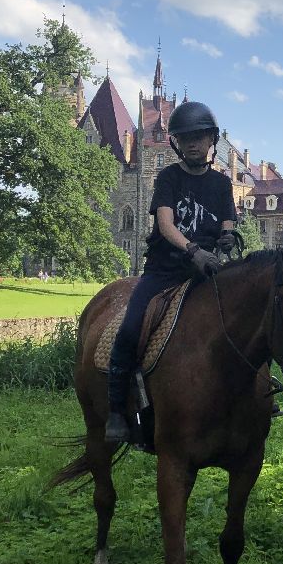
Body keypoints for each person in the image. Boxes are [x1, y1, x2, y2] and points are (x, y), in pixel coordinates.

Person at [104, 101, 237, 445]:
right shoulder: (168, 178)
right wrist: (193, 250)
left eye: (199, 136)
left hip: (207, 271)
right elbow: (164, 223)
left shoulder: (222, 184)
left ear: (211, 140)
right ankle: (117, 409)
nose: (193, 143)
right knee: (131, 327)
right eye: (185, 138)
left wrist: (227, 235)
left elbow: (227, 220)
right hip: (165, 270)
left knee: (244, 322)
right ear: (177, 142)